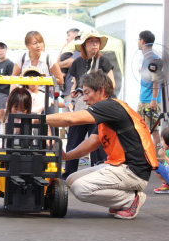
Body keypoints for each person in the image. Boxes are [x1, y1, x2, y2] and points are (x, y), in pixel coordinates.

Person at [46, 70, 158, 220]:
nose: (84, 99)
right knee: (71, 180)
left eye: (87, 93)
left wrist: (37, 119)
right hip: (120, 166)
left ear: (101, 91)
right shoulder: (108, 111)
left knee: (81, 188)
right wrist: (67, 156)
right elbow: (92, 142)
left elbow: (72, 119)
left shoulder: (110, 106)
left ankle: (130, 200)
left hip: (133, 171)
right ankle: (123, 200)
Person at [62, 31, 115, 179]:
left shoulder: (104, 61)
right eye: (91, 41)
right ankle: (69, 173)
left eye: (97, 41)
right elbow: (74, 83)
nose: (95, 44)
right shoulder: (77, 62)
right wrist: (74, 92)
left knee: (97, 140)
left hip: (99, 106)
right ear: (84, 45)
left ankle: (98, 173)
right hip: (81, 104)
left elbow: (112, 84)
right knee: (73, 138)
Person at [136, 30, 162, 155]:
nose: (138, 42)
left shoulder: (153, 59)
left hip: (149, 101)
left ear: (143, 41)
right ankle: (146, 155)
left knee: (154, 130)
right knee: (141, 129)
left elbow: (157, 80)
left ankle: (157, 158)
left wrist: (154, 99)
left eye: (138, 39)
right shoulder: (146, 58)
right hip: (143, 100)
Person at [58, 28, 81, 111]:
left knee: (69, 116)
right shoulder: (69, 48)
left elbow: (71, 62)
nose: (67, 38)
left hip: (73, 91)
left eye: (69, 35)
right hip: (68, 90)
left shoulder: (79, 49)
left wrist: (59, 64)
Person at [153, 127, 169, 193]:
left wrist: (164, 157)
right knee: (154, 163)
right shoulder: (167, 150)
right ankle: (166, 184)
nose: (161, 142)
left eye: (162, 140)